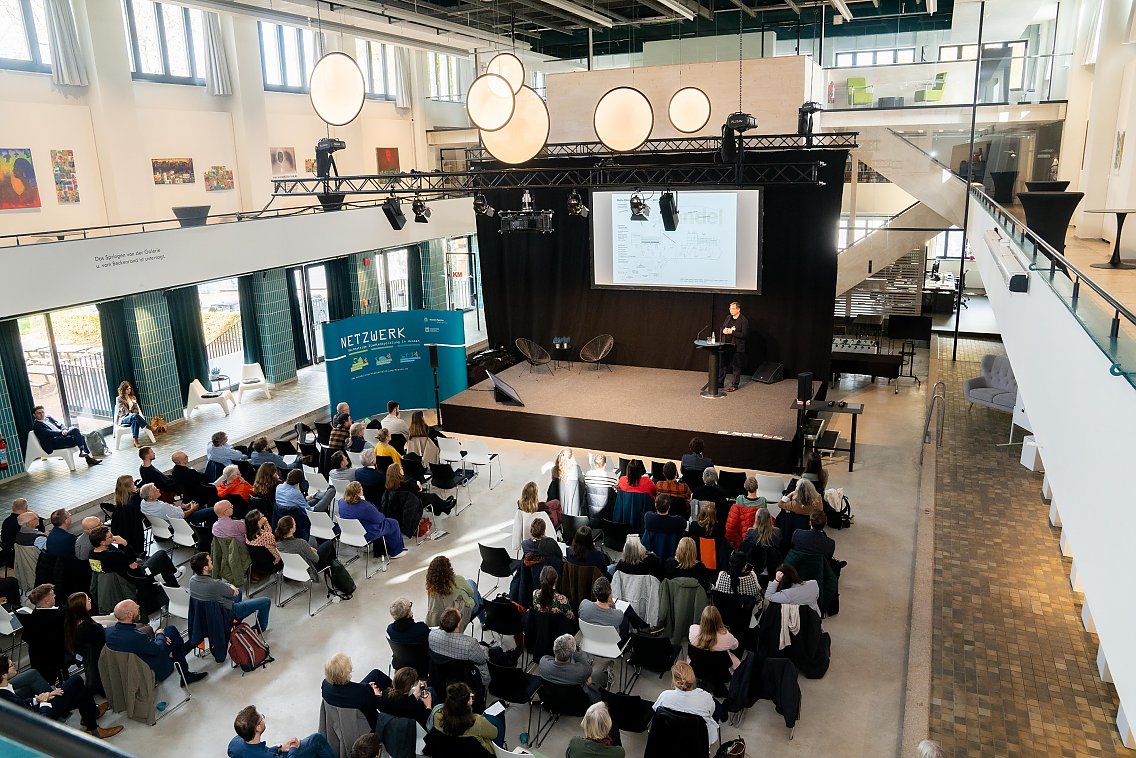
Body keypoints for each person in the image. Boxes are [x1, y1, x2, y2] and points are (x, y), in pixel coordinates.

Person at [0, 653, 123, 739]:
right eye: (11, 665)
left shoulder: (5, 690)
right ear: (4, 675)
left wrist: (38, 698)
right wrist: (44, 701)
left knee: (80, 691)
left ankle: (92, 723)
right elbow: (37, 721)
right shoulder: (5, 696)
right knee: (76, 681)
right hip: (43, 716)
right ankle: (92, 721)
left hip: (39, 708)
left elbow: (22, 705)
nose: (14, 664)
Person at [105, 599, 207, 684]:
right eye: (136, 608)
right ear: (129, 614)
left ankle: (185, 653)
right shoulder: (135, 637)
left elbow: (142, 644)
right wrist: (160, 635)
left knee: (171, 635)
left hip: (131, 666)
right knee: (172, 631)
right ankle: (185, 673)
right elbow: (157, 649)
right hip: (151, 664)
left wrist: (160, 638)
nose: (139, 607)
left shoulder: (109, 632)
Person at [88, 526, 172, 612]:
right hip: (135, 576)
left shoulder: (92, 555)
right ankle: (172, 585)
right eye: (110, 537)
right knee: (161, 555)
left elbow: (125, 559)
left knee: (161, 561)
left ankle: (171, 583)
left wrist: (129, 562)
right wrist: (124, 543)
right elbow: (133, 557)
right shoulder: (110, 556)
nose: (113, 537)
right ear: (102, 542)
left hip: (124, 576)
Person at [189, 551, 273, 632]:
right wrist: (231, 586)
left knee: (239, 592)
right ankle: (258, 629)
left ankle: (236, 621)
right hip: (228, 612)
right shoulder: (214, 585)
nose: (212, 561)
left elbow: (230, 590)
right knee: (266, 601)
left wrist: (230, 588)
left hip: (211, 614)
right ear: (205, 568)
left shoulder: (192, 580)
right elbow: (232, 592)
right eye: (210, 561)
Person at [320, 652, 396, 730]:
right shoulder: (363, 691)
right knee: (385, 698)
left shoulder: (325, 685)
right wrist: (376, 695)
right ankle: (399, 699)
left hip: (346, 706)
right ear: (346, 672)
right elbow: (372, 713)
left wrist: (368, 689)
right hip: (367, 724)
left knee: (375, 674)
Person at [228, 704, 335, 758]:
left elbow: (258, 751)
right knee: (317, 740)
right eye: (261, 718)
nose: (263, 719)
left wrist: (280, 748)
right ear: (258, 728)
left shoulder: (234, 744)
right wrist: (293, 748)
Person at [652, 661, 718, 744]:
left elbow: (657, 711)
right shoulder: (706, 697)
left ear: (674, 680)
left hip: (670, 735)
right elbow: (710, 714)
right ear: (693, 678)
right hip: (697, 739)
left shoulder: (665, 695)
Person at [431, 681, 504, 754]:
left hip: (451, 749)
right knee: (497, 716)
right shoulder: (477, 722)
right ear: (469, 701)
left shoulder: (437, 716)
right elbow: (495, 734)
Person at [337, 482, 406, 559]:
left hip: (348, 533)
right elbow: (379, 519)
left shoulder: (341, 502)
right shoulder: (365, 506)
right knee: (393, 523)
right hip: (365, 534)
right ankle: (396, 552)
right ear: (359, 492)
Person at [538, 633, 610, 704]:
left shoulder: (543, 662)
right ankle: (609, 678)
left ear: (554, 648)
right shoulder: (580, 672)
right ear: (571, 654)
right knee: (599, 674)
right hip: (579, 705)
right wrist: (575, 652)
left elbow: (550, 658)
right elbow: (588, 668)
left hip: (553, 702)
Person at [428, 609, 489, 685]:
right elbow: (482, 659)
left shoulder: (432, 635)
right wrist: (486, 649)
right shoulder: (470, 644)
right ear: (458, 624)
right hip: (465, 678)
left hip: (442, 676)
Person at [22, 584, 68, 684]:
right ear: (47, 601)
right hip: (54, 658)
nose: (55, 595)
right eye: (52, 594)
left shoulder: (34, 614)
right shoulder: (57, 616)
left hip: (37, 658)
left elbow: (26, 637)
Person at [579, 576, 648, 641]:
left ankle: (642, 626)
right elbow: (613, 613)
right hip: (611, 644)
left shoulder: (584, 604)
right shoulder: (618, 615)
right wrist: (612, 604)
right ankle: (643, 627)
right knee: (626, 617)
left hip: (589, 641)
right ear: (609, 594)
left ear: (594, 593)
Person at [63, 591, 105, 695]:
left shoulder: (71, 625)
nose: (90, 600)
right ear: (81, 606)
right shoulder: (90, 628)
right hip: (102, 658)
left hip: (90, 660)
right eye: (87, 599)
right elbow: (103, 638)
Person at [31, 405, 100, 466]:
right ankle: (86, 456)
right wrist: (62, 432)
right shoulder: (37, 426)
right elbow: (49, 432)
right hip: (53, 442)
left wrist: (64, 429)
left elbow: (60, 424)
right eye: (39, 413)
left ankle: (83, 452)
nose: (41, 414)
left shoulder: (48, 418)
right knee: (78, 434)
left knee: (78, 433)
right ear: (34, 415)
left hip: (62, 436)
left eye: (42, 412)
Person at [424, 555, 480, 629]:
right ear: (448, 569)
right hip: (460, 616)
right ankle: (484, 619)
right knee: (472, 585)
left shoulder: (431, 588)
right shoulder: (457, 580)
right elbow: (471, 593)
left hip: (439, 620)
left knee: (471, 585)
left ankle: (484, 616)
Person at [688, 604, 742, 673]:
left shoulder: (693, 629)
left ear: (702, 619)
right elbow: (735, 646)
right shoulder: (727, 636)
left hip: (697, 668)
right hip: (720, 671)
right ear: (719, 619)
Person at [511, 481, 557, 555]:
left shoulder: (520, 510)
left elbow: (517, 529)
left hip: (528, 546)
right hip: (542, 545)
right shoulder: (542, 508)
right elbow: (550, 529)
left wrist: (517, 546)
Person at [140, 482, 211, 526]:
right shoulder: (162, 507)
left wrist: (183, 506)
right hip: (183, 521)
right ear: (150, 497)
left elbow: (170, 510)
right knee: (213, 510)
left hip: (168, 520)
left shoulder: (144, 503)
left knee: (201, 506)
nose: (158, 489)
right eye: (155, 490)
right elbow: (182, 516)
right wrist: (193, 509)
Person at [740, 508, 782, 581]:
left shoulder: (751, 532)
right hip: (772, 567)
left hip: (755, 568)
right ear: (769, 518)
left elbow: (744, 549)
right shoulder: (777, 532)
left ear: (757, 519)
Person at [725, 476, 766, 549]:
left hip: (741, 535)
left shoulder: (739, 499)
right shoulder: (763, 501)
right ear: (757, 487)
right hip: (757, 536)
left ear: (745, 487)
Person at [718, 301, 748, 392]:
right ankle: (720, 382)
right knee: (722, 365)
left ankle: (734, 385)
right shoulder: (728, 317)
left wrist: (732, 332)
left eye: (733, 309)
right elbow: (722, 327)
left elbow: (744, 334)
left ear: (738, 310)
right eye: (730, 308)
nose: (731, 310)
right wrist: (724, 330)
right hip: (726, 346)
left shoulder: (743, 320)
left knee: (736, 366)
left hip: (737, 347)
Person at [245, 509, 283, 575]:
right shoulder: (266, 536)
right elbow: (276, 543)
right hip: (273, 563)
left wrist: (265, 522)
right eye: (262, 516)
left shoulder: (247, 534)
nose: (263, 515)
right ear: (258, 521)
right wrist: (266, 522)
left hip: (257, 564)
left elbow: (268, 533)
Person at [549, 448, 585, 517]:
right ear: (571, 457)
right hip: (574, 506)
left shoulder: (555, 469)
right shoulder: (576, 468)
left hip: (559, 506)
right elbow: (582, 483)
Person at [115, 380, 150, 447]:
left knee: (135, 419)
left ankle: (135, 440)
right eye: (127, 389)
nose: (129, 390)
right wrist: (130, 413)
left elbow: (136, 409)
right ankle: (148, 427)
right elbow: (123, 410)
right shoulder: (119, 399)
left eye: (130, 388)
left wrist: (133, 413)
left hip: (133, 417)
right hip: (124, 418)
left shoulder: (133, 397)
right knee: (134, 416)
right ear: (123, 389)